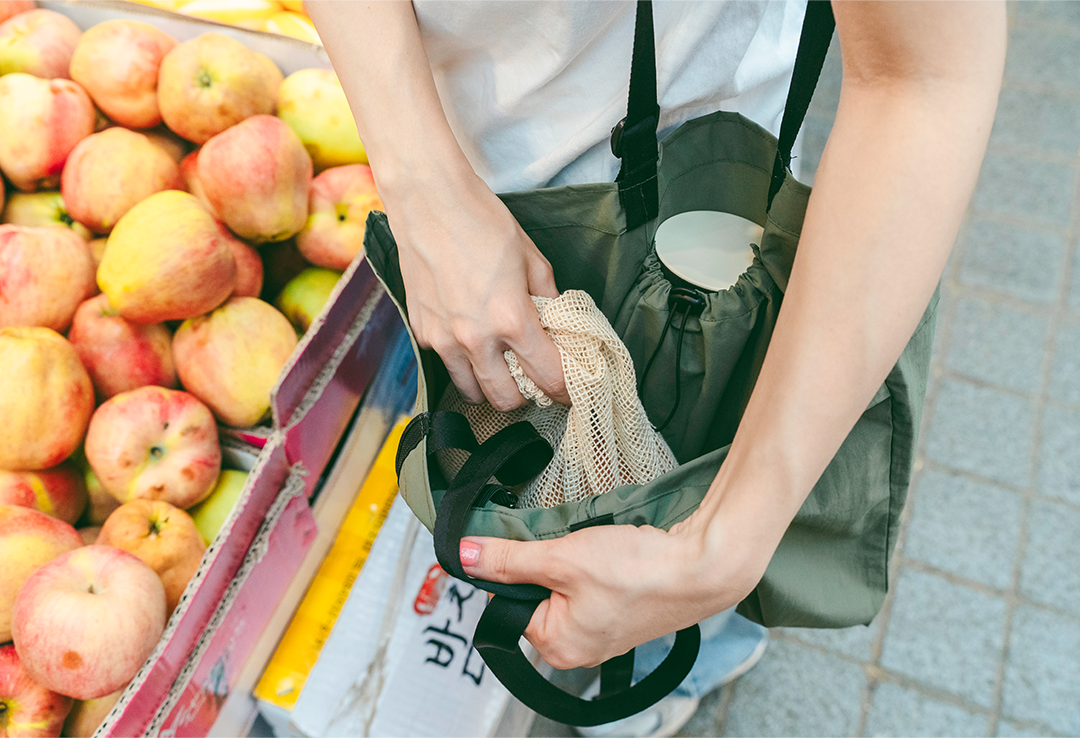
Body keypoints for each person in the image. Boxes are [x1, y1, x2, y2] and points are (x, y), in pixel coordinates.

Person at [308, 2, 1006, 735]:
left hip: (700, 180)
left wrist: (722, 552)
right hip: (448, 175)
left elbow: (921, 74)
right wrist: (426, 192)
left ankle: (699, 649)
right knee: (569, 477)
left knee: (708, 451)